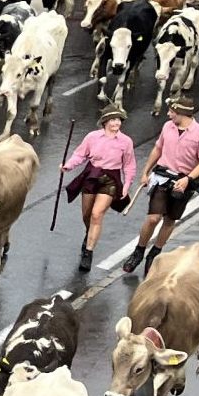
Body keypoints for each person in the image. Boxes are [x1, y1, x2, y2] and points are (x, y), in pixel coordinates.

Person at [123, 95, 199, 275]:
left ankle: (155, 253)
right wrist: (145, 171)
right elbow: (158, 149)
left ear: (182, 113)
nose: (169, 114)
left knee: (170, 219)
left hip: (184, 181)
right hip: (163, 177)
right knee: (153, 218)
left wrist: (188, 178)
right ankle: (139, 251)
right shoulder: (167, 127)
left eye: (172, 111)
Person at [61, 107, 138, 273]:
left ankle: (88, 252)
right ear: (105, 122)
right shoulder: (92, 137)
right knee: (87, 215)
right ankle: (89, 233)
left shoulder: (126, 142)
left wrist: (126, 185)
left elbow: (129, 165)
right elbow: (80, 155)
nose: (117, 123)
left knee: (97, 214)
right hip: (91, 175)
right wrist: (68, 166)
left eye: (119, 120)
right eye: (113, 119)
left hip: (110, 180)